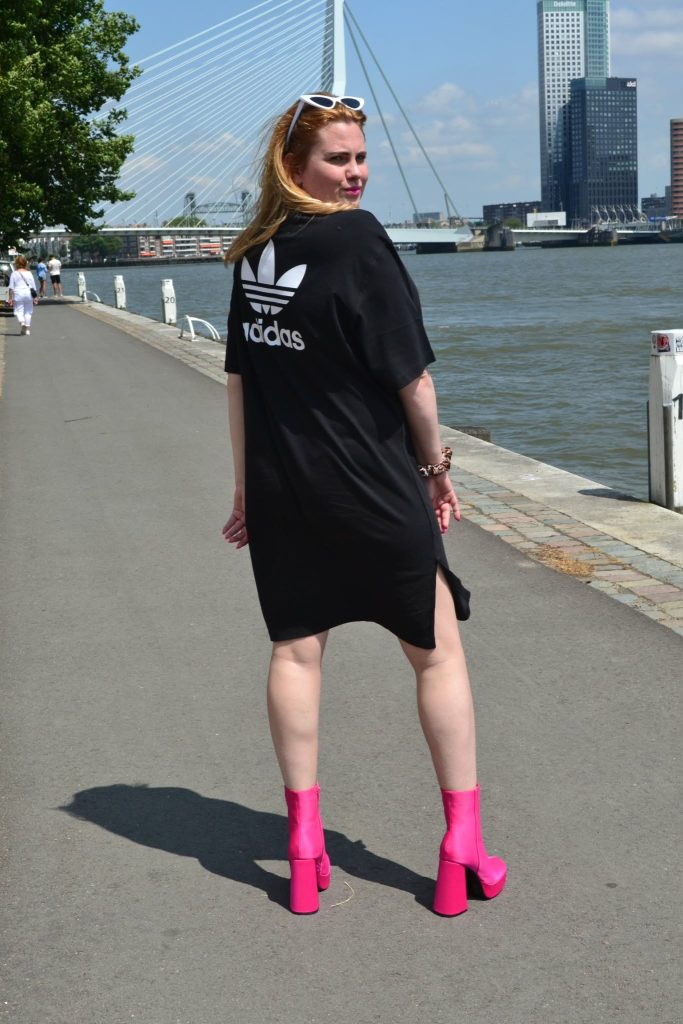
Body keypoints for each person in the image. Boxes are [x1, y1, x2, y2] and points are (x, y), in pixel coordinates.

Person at [222, 93, 506, 916]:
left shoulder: (253, 251)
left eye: (359, 157)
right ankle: (461, 847)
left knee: (294, 655)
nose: (355, 174)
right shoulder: (357, 239)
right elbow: (411, 379)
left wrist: (245, 486)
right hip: (373, 485)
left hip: (285, 491)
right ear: (293, 165)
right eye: (337, 159)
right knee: (436, 655)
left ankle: (303, 846)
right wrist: (435, 468)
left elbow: (239, 382)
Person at [8, 255, 38, 336]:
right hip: (28, 293)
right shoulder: (29, 273)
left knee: (19, 311)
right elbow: (33, 286)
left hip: (18, 294)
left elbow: (11, 287)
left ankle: (22, 323)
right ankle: (27, 330)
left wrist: (10, 298)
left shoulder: (14, 274)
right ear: (25, 263)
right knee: (28, 311)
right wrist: (35, 297)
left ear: (16, 264)